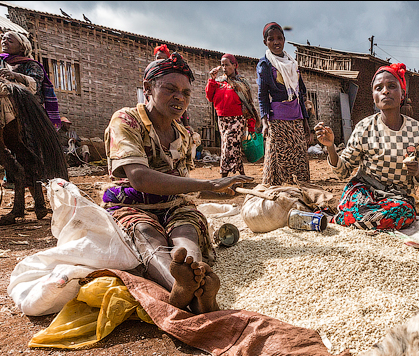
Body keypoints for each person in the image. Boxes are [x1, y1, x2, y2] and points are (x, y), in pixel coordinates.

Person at [103, 45, 251, 314]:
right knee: (145, 234)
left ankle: (192, 279)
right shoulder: (127, 120)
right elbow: (139, 178)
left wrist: (223, 191)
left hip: (173, 205)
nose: (179, 98)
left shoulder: (183, 134)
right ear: (147, 88)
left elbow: (182, 188)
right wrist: (209, 184)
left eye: (185, 93)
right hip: (132, 206)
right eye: (169, 89)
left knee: (186, 233)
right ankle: (189, 292)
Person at [314, 63, 419, 231]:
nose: (385, 91)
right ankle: (358, 218)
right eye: (378, 88)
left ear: (402, 93)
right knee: (359, 205)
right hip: (364, 189)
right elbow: (343, 171)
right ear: (374, 96)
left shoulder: (416, 129)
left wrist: (417, 170)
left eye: (391, 86)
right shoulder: (364, 127)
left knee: (402, 212)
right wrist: (331, 147)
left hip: (398, 197)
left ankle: (338, 219)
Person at [256, 22, 313, 186]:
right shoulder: (265, 65)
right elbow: (262, 95)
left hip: (296, 117)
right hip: (278, 119)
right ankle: (277, 192)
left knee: (299, 156)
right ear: (265, 42)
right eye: (271, 39)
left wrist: (305, 121)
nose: (276, 42)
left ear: (284, 39)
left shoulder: (292, 63)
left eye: (279, 38)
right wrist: (265, 122)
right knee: (278, 158)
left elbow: (300, 93)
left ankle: (300, 190)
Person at [206, 53, 259, 178]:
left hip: (237, 119)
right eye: (222, 65)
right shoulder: (218, 82)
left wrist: (251, 124)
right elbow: (209, 97)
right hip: (222, 119)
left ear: (234, 65)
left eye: (227, 65)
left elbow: (248, 104)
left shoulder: (242, 83)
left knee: (228, 144)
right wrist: (212, 79)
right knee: (233, 146)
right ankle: (241, 173)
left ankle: (223, 175)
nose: (224, 68)